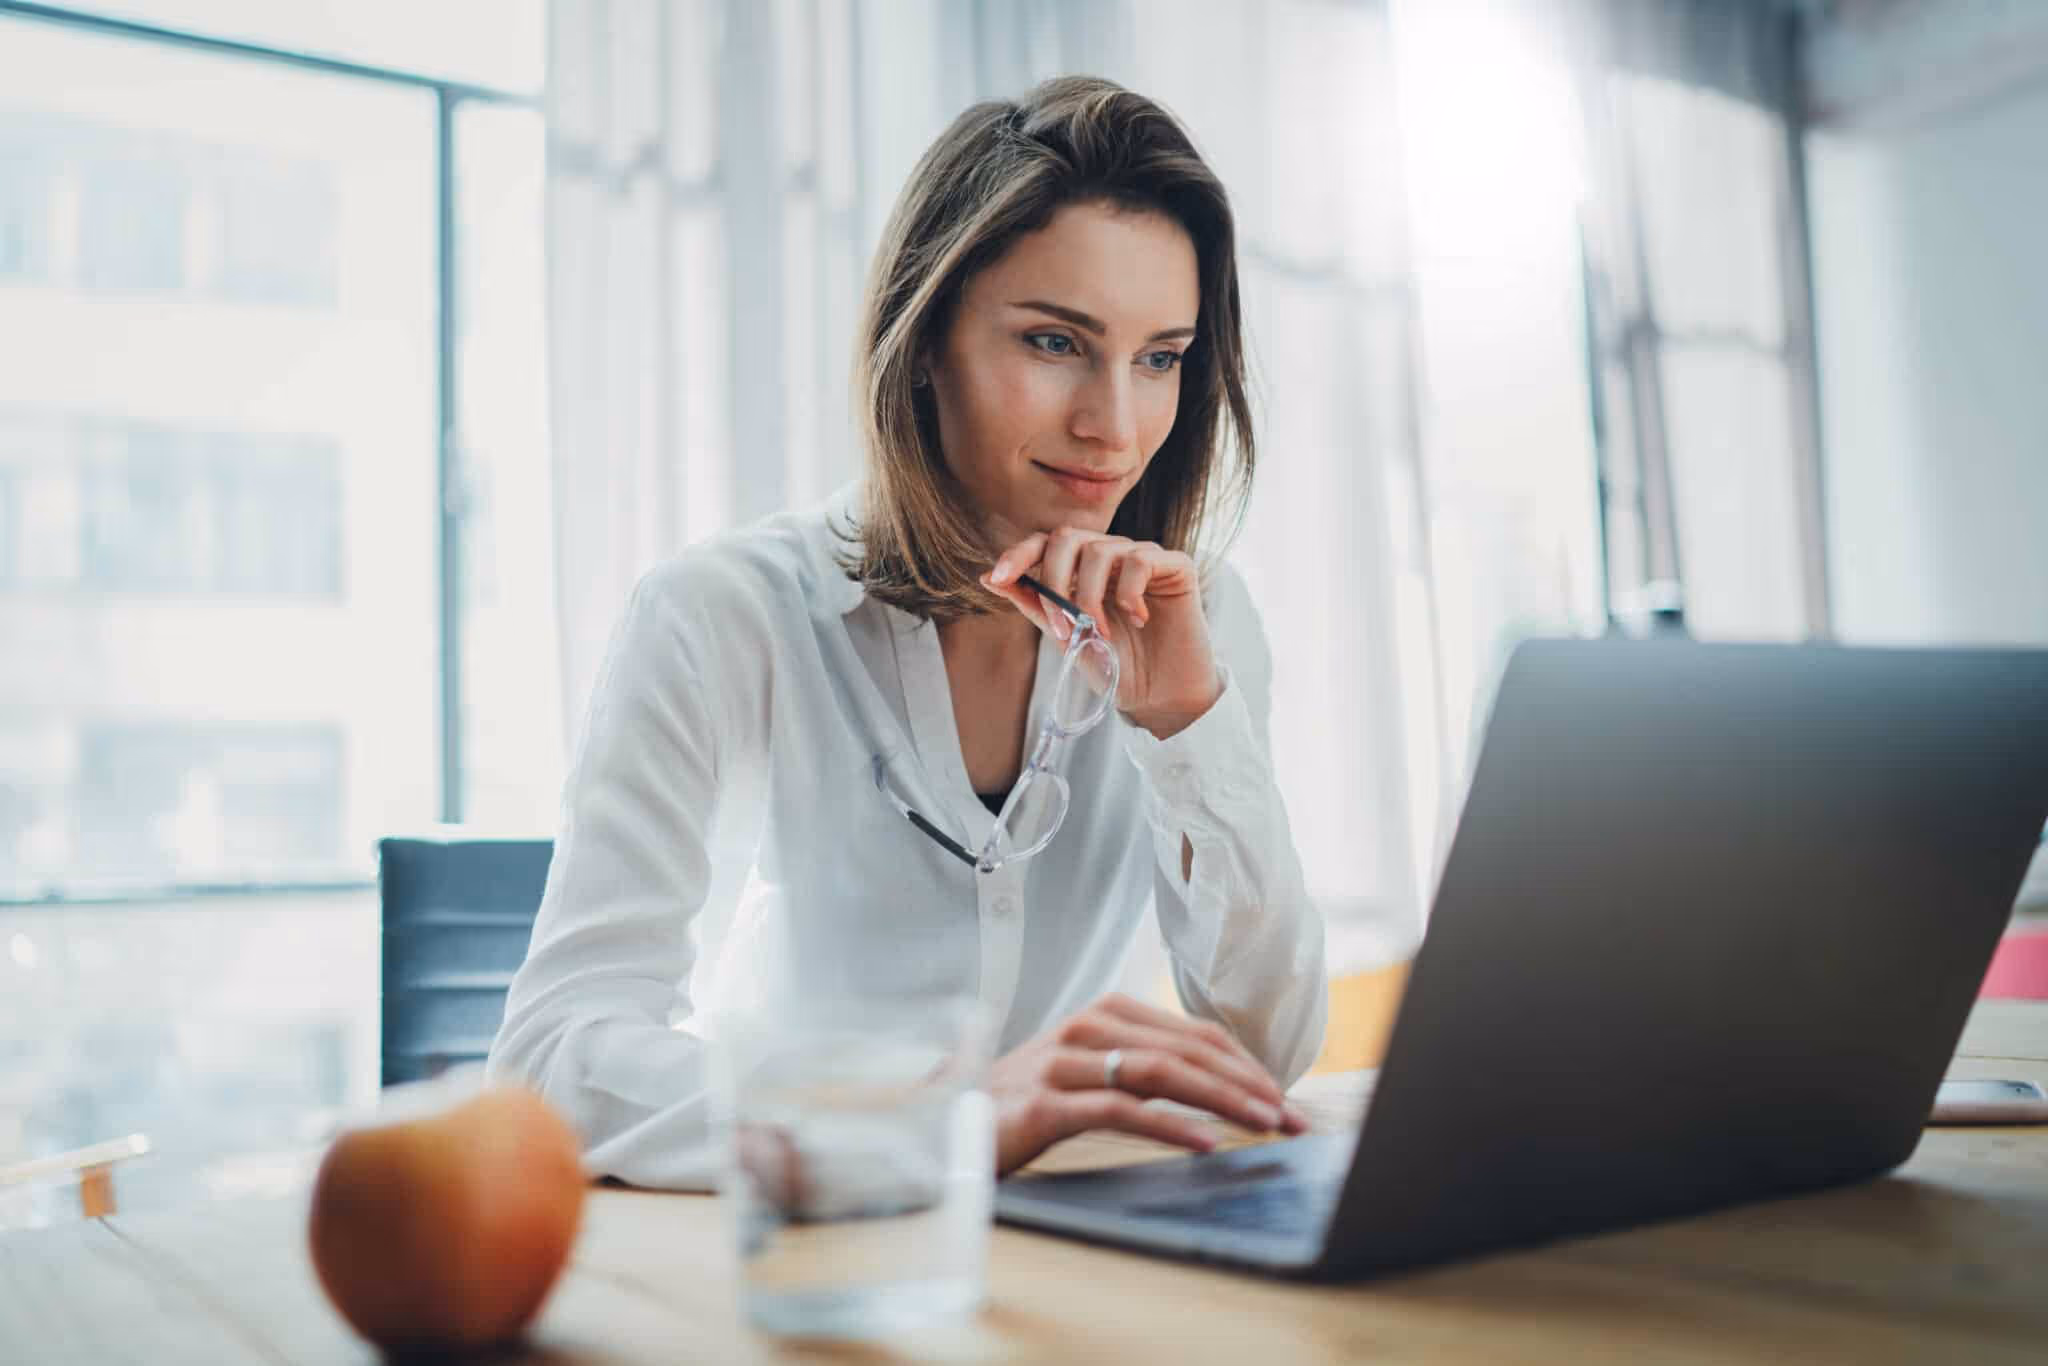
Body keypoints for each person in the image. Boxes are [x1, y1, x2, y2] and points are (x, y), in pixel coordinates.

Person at [487, 75, 1413, 1187]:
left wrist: (1184, 726)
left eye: (1159, 357)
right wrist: (935, 1118)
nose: (1113, 427)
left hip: (1075, 1240)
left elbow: (1261, 1052)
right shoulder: (722, 612)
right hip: (803, 1244)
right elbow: (552, 1060)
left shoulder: (1193, 624)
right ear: (924, 341)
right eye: (1054, 342)